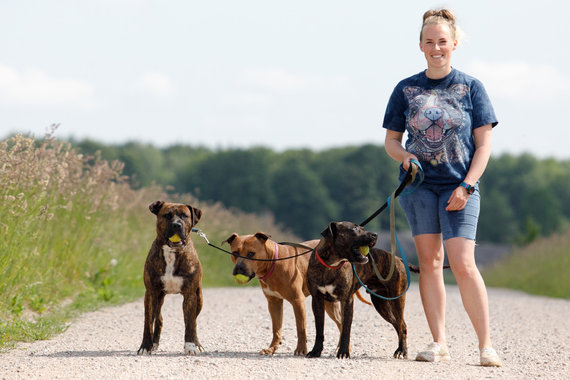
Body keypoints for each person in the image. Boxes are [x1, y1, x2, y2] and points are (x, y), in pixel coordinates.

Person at [382, 8, 501, 367]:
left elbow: (484, 146)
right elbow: (391, 141)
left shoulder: (471, 87)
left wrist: (467, 185)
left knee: (463, 264)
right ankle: (438, 343)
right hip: (419, 188)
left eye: (443, 42)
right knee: (431, 263)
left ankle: (486, 346)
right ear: (420, 45)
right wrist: (404, 156)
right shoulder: (406, 89)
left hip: (459, 187)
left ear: (454, 44)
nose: (436, 47)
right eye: (430, 42)